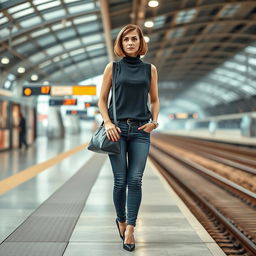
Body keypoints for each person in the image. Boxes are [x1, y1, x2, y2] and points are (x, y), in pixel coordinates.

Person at [98, 24, 160, 252]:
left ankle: (131, 228)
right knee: (120, 181)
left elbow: (154, 99)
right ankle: (120, 219)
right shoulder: (112, 68)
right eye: (126, 40)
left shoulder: (150, 70)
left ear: (141, 42)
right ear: (121, 44)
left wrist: (154, 121)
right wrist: (107, 123)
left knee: (135, 180)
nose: (131, 43)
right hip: (117, 131)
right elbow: (102, 100)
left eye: (134, 39)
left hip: (141, 131)